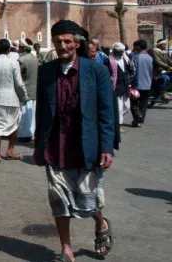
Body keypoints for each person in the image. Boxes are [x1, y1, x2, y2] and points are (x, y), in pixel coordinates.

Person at [33, 19, 115, 261]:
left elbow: (106, 112)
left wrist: (106, 147)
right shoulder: (46, 71)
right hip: (55, 146)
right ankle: (66, 249)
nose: (62, 46)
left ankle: (100, 223)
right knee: (58, 199)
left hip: (85, 145)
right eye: (58, 41)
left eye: (67, 41)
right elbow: (42, 111)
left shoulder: (96, 70)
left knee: (88, 199)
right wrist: (38, 144)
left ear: (77, 43)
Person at [105, 43, 133, 126]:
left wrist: (131, 67)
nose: (121, 53)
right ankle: (118, 124)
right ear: (114, 51)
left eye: (122, 51)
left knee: (127, 106)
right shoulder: (108, 60)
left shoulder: (125, 58)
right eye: (119, 51)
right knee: (119, 108)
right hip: (116, 86)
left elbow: (129, 70)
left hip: (125, 85)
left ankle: (116, 118)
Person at [18, 39, 40, 141]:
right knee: (33, 114)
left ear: (23, 47)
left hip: (25, 89)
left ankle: (25, 134)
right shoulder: (35, 58)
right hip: (34, 89)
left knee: (25, 114)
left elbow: (18, 76)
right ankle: (32, 132)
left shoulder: (22, 60)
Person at [130, 40, 153, 127]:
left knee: (133, 103)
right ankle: (140, 119)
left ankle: (137, 118)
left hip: (136, 84)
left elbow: (133, 71)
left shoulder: (135, 57)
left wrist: (130, 82)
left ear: (138, 47)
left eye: (135, 46)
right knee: (143, 103)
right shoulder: (150, 58)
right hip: (147, 83)